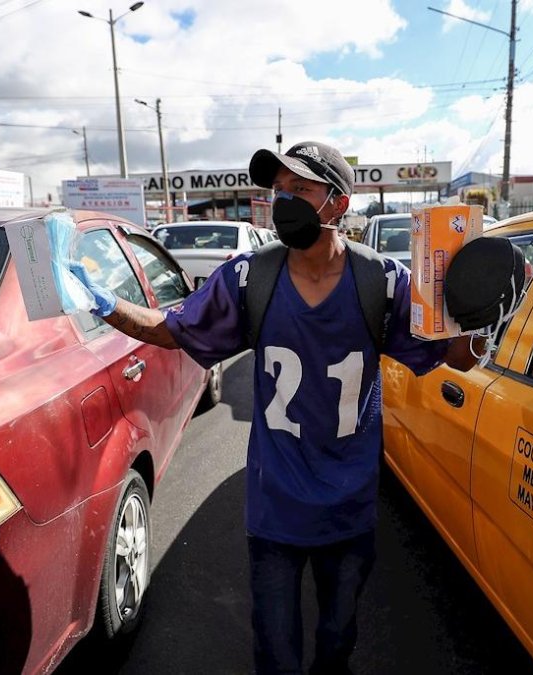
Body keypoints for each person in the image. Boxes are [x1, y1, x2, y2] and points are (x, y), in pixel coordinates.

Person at [71, 140, 483, 675]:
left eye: (300, 189)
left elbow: (457, 356)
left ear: (336, 203)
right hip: (275, 507)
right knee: (276, 652)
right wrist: (99, 300)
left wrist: (485, 313)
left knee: (337, 642)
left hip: (349, 506)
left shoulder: (384, 281)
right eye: (278, 189)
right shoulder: (249, 279)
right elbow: (169, 330)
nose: (281, 200)